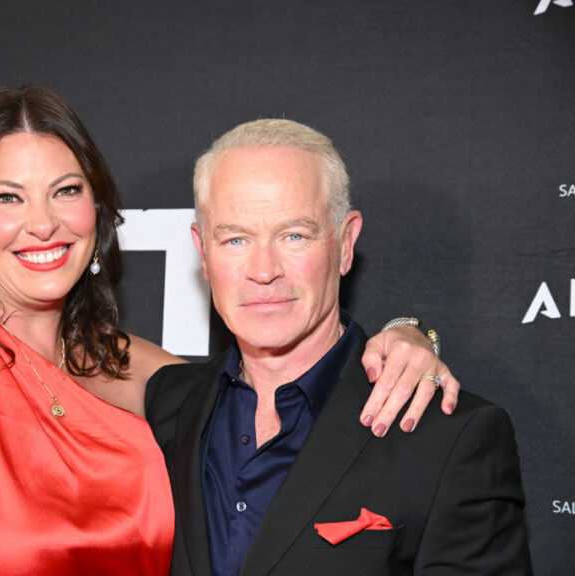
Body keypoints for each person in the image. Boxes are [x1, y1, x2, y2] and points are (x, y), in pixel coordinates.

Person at [0, 87, 457, 575]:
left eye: (66, 191)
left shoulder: (125, 367)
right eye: (8, 196)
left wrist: (407, 335)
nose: (42, 223)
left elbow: (290, 385)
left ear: (96, 214)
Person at [145, 118, 532, 575]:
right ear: (202, 252)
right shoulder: (167, 404)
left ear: (345, 243)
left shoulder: (451, 439)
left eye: (294, 235)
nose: (264, 269)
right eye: (235, 239)